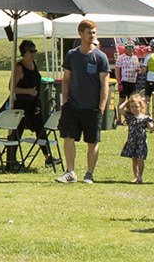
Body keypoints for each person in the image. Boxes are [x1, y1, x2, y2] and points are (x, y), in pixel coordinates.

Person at [55, 19, 110, 185]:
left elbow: (104, 84)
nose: (92, 36)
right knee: (68, 137)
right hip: (72, 105)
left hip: (92, 107)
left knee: (92, 141)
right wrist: (65, 101)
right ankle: (70, 172)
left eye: (94, 33)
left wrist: (101, 106)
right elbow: (66, 79)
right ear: (80, 34)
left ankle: (89, 174)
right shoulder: (72, 55)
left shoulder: (100, 57)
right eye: (89, 33)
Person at [5, 39, 54, 170]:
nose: (34, 54)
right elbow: (11, 88)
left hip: (34, 104)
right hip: (21, 105)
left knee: (40, 128)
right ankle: (11, 160)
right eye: (31, 51)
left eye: (35, 51)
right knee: (17, 131)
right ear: (24, 53)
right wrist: (28, 91)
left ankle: (48, 157)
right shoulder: (19, 67)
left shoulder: (34, 64)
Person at [117, 93, 151, 184]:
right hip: (132, 141)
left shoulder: (145, 118)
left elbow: (151, 127)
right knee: (134, 159)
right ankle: (135, 176)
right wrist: (127, 101)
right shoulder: (129, 117)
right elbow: (120, 109)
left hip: (141, 141)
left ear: (141, 106)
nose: (134, 109)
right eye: (132, 107)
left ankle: (140, 176)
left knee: (140, 158)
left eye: (136, 106)